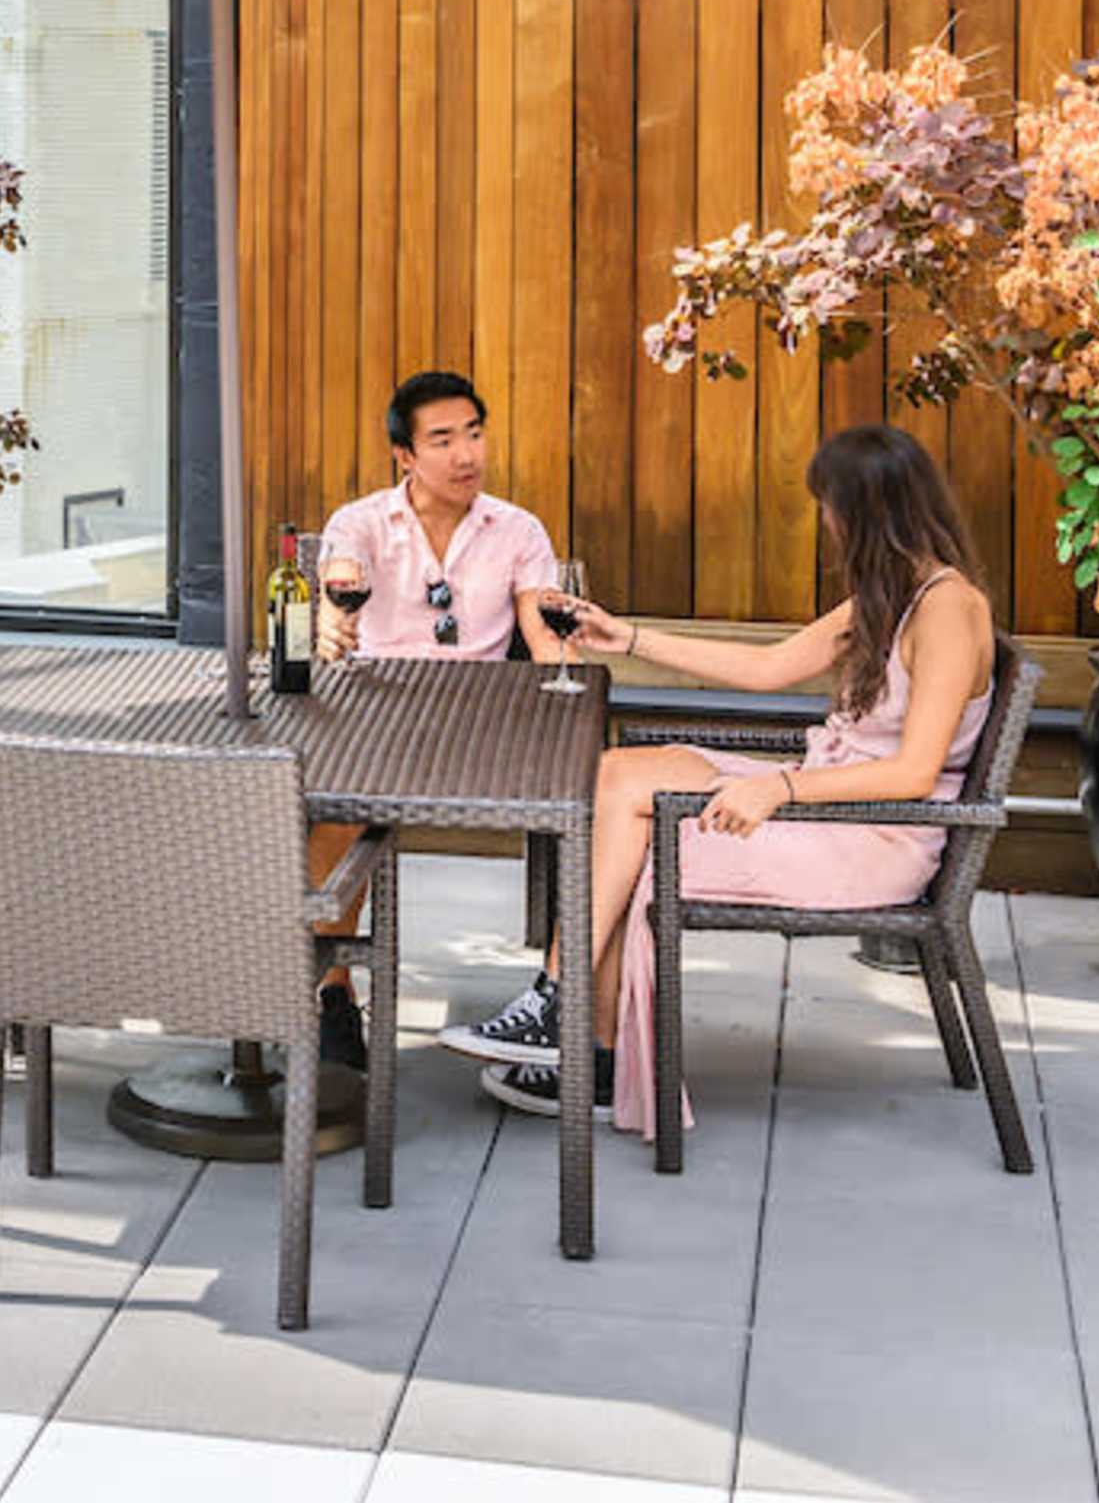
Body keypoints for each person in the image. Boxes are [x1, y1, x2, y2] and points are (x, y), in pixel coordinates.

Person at [440, 423, 995, 1135]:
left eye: (829, 506)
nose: (825, 522)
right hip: (832, 804)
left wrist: (779, 789)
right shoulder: (894, 591)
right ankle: (564, 1014)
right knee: (615, 776)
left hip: (867, 840)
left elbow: (916, 773)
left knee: (632, 834)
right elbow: (768, 668)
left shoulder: (948, 608)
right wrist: (629, 638)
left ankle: (577, 1029)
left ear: (863, 511)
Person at [299, 370, 568, 1071]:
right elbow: (340, 582)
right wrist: (334, 619)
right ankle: (331, 994)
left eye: (474, 434)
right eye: (442, 440)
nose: (465, 455)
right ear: (406, 456)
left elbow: (545, 640)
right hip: (375, 714)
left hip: (477, 725)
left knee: (587, 805)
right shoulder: (360, 522)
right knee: (330, 809)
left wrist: (560, 672)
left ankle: (563, 999)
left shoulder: (517, 530)